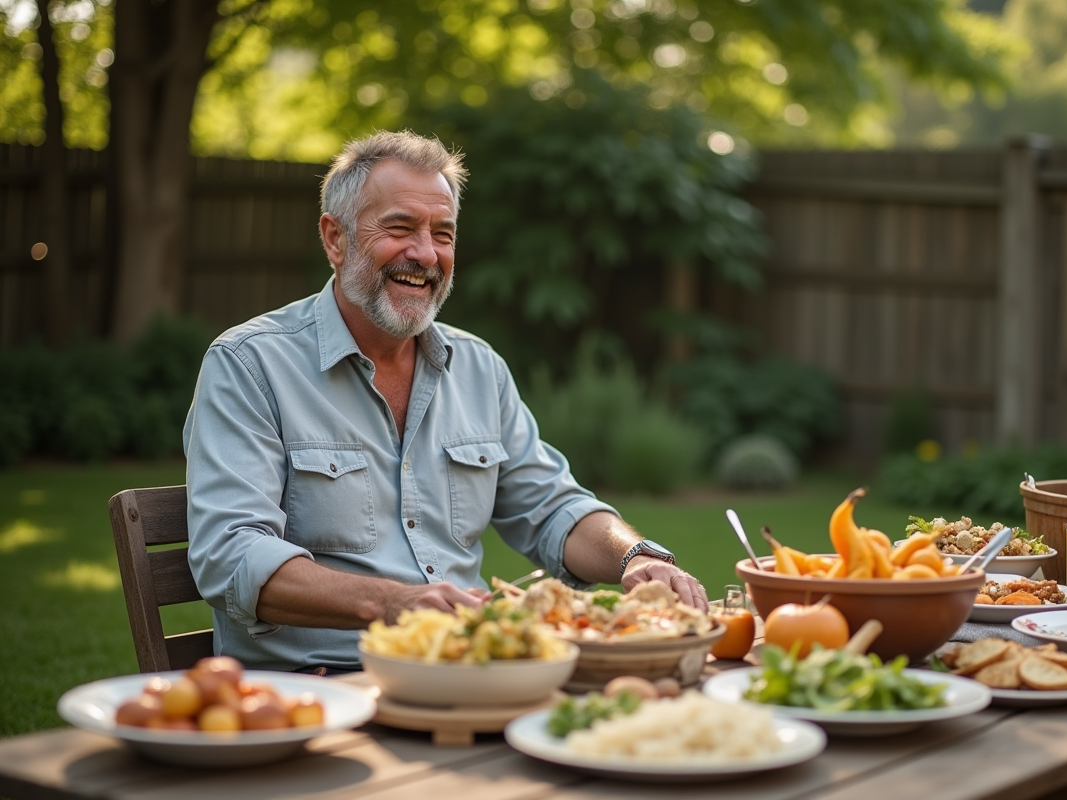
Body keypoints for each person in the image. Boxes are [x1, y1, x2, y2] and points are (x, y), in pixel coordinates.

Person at [184, 130, 709, 672]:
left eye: (443, 233)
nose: (425, 254)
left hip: (472, 671)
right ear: (335, 238)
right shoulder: (249, 364)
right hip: (323, 686)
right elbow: (232, 554)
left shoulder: (479, 367)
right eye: (400, 228)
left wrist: (635, 555)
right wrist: (398, 606)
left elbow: (553, 507)